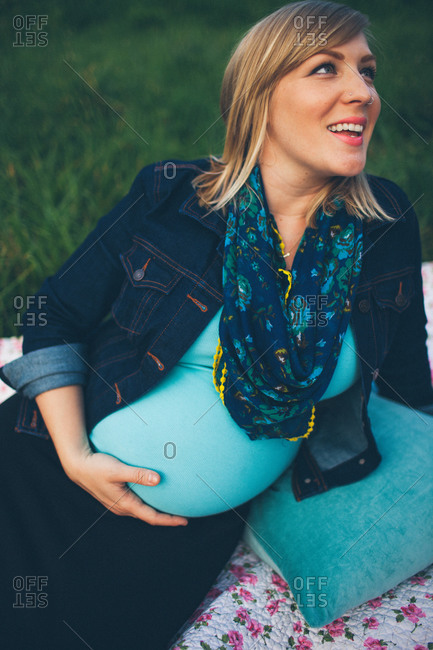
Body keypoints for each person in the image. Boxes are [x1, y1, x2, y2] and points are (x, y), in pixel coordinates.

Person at [1, 1, 432, 648]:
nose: (362, 92)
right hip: (43, 478)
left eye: (367, 71)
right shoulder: (172, 195)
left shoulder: (383, 224)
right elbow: (54, 317)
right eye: (326, 68)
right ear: (259, 97)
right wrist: (78, 456)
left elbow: (402, 376)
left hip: (174, 541)